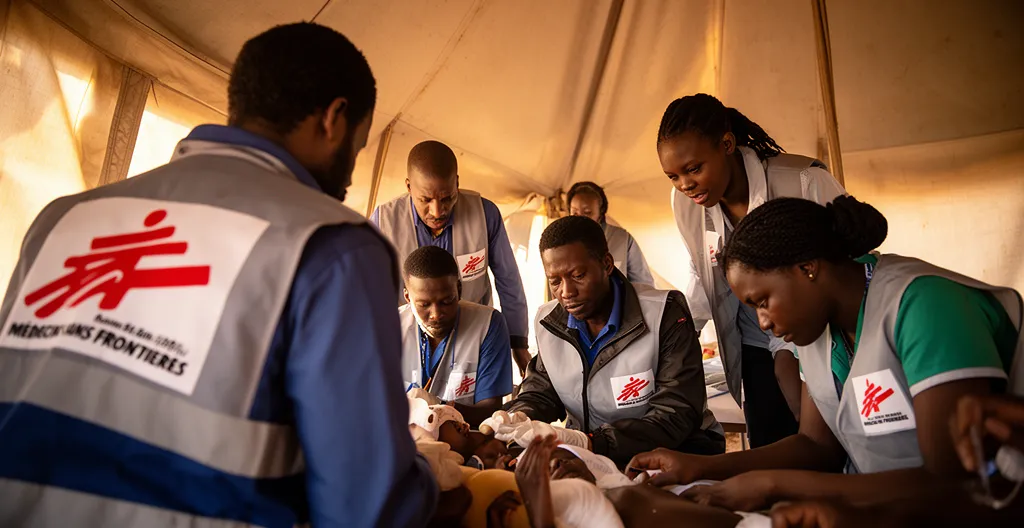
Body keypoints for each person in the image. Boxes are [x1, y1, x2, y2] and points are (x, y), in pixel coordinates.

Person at [0, 23, 437, 527]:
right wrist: (430, 476)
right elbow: (367, 510)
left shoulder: (63, 218)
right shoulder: (331, 246)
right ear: (334, 119)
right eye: (357, 149)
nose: (347, 177)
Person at [627, 196, 1023, 512]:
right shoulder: (816, 330)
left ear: (808, 268)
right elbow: (817, 446)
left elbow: (948, 482)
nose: (762, 322)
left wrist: (773, 484)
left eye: (763, 301)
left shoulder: (924, 306)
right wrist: (702, 467)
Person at [659, 93, 847, 446]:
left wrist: (793, 353)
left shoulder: (803, 181)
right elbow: (702, 275)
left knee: (827, 441)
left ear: (727, 144)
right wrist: (678, 336)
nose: (685, 185)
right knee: (772, 441)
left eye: (694, 169)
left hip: (818, 336)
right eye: (673, 176)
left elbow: (848, 269)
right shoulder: (686, 205)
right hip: (753, 341)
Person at [498, 215, 724, 466]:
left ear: (606, 264)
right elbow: (542, 391)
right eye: (555, 281)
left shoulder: (664, 313)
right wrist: (519, 415)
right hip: (592, 454)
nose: (567, 292)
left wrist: (590, 443)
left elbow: (675, 412)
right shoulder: (549, 322)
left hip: (672, 455)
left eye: (578, 275)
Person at [372, 140, 533, 376]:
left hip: (475, 338)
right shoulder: (384, 221)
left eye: (447, 198)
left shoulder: (484, 214)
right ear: (409, 187)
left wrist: (518, 341)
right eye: (425, 200)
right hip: (409, 345)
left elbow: (508, 281)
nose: (437, 212)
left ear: (457, 182)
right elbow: (373, 292)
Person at [401, 245, 513, 426]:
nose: (436, 314)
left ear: (459, 290)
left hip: (464, 443)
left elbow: (489, 410)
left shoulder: (488, 324)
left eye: (446, 301)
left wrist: (435, 407)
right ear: (408, 297)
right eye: (423, 304)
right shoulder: (388, 327)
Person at [566, 181, 655, 287]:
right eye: (575, 213)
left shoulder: (622, 239)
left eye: (587, 213)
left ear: (600, 213)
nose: (580, 219)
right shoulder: (562, 242)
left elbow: (643, 284)